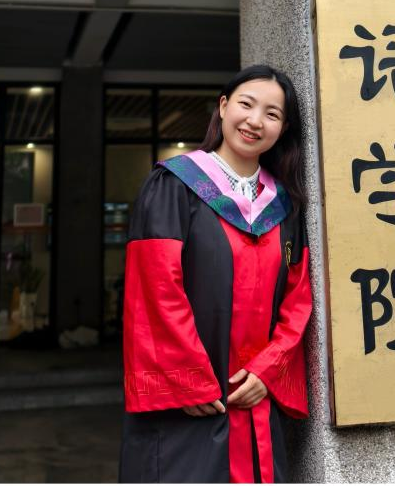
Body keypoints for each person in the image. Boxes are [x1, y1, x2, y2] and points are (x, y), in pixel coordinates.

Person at [119, 65, 312, 484]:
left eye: (272, 114)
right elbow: (155, 289)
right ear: (223, 107)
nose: (255, 121)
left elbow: (298, 298)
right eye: (246, 104)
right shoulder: (174, 185)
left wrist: (268, 369)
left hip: (256, 404)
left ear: (283, 129)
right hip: (188, 409)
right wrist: (188, 381)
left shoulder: (284, 205)